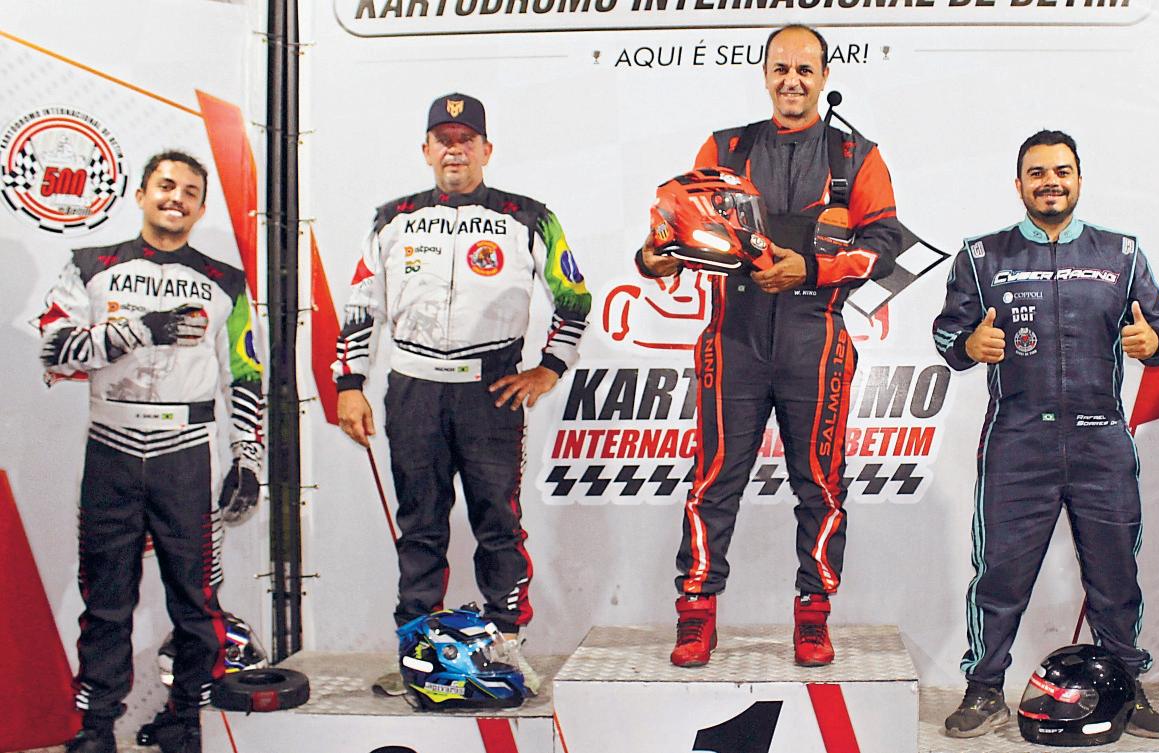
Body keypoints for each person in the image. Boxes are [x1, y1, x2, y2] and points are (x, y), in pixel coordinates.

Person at [637, 24, 901, 668]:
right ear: (764, 75)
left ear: (825, 76)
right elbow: (672, 229)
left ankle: (813, 615)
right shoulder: (725, 147)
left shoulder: (856, 156)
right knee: (713, 480)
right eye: (781, 68)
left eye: (805, 70)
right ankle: (695, 612)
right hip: (735, 338)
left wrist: (810, 269)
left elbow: (887, 248)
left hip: (818, 340)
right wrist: (654, 258)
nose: (792, 81)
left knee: (821, 486)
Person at [333, 93, 591, 690]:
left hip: (489, 390)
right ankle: (416, 653)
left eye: (466, 139)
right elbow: (360, 305)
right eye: (443, 140)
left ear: (486, 149)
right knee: (420, 525)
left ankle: (504, 649)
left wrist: (549, 368)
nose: (455, 150)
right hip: (414, 390)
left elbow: (574, 298)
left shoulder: (528, 217)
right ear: (426, 150)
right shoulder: (393, 217)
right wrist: (349, 384)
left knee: (498, 523)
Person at [932, 130, 1159, 739]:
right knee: (1000, 577)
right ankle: (985, 688)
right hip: (1018, 442)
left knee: (1116, 577)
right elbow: (947, 334)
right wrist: (969, 344)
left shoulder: (1122, 252)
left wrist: (1153, 341)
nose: (1051, 183)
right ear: (1019, 185)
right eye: (1037, 173)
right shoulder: (981, 255)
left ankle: (1126, 687)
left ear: (1079, 179)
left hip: (1102, 441)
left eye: (1062, 171)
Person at [38, 150, 263, 753]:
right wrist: (139, 330)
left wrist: (248, 459)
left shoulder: (225, 281)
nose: (176, 198)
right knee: (106, 600)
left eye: (190, 191)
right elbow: (53, 350)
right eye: (166, 185)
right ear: (141, 194)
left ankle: (185, 718)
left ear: (201, 208)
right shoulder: (92, 264)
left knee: (196, 600)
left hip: (186, 455)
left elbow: (245, 373)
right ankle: (95, 726)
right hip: (110, 449)